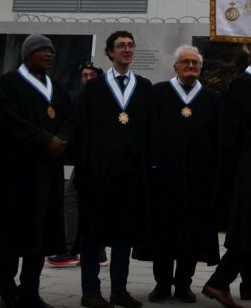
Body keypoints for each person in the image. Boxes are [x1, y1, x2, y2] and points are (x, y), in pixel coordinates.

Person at [0, 34, 72, 308]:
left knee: (41, 235)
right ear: (28, 54)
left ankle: (30, 290)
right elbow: (8, 121)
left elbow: (69, 118)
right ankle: (7, 290)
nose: (50, 54)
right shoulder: (9, 84)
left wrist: (63, 138)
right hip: (16, 172)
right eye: (43, 50)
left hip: (48, 171)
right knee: (13, 233)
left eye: (52, 51)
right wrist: (46, 140)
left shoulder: (56, 87)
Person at [73, 32, 153, 308]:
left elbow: (150, 131)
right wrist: (83, 169)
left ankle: (119, 289)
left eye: (131, 45)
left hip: (131, 172)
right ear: (109, 53)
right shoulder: (94, 89)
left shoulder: (144, 87)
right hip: (99, 173)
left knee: (125, 234)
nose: (127, 50)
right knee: (93, 234)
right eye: (121, 46)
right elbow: (82, 130)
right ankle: (90, 290)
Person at [143, 44, 221, 303]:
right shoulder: (159, 93)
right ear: (174, 66)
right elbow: (149, 132)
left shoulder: (210, 99)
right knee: (163, 233)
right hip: (165, 177)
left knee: (192, 233)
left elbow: (217, 139)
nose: (191, 67)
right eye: (185, 62)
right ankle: (162, 284)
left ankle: (184, 284)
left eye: (195, 63)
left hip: (198, 179)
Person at [203, 43, 251, 308]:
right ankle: (220, 282)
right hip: (247, 170)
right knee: (249, 230)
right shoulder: (244, 83)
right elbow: (237, 131)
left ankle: (250, 285)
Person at [49, 61, 103, 270]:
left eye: (92, 75)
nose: (87, 79)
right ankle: (91, 250)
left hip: (95, 160)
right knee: (78, 199)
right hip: (84, 159)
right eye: (84, 75)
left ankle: (72, 248)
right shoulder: (81, 98)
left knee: (74, 198)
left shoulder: (99, 98)